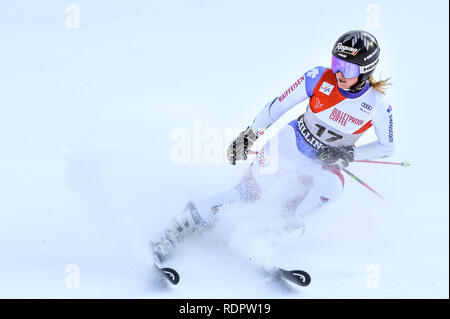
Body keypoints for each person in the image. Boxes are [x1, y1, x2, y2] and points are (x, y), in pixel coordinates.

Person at [151, 30, 395, 264]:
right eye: (336, 63)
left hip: (322, 163)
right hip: (290, 144)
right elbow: (277, 106)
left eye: (348, 68)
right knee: (245, 194)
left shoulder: (377, 105)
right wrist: (249, 136)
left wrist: (349, 153)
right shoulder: (318, 77)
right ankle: (179, 227)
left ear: (365, 71)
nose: (339, 73)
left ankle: (256, 240)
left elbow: (387, 148)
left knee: (328, 190)